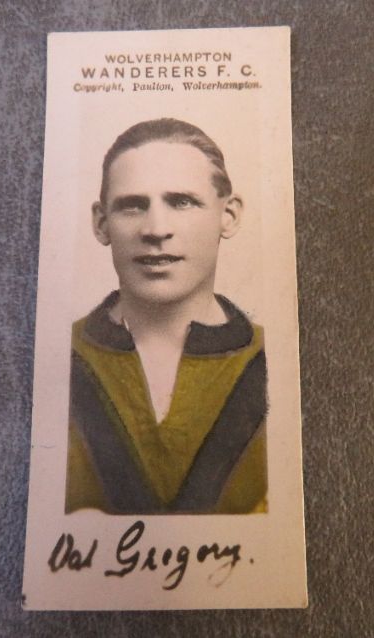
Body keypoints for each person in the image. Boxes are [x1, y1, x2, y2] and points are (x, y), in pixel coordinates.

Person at [65, 118, 267, 515]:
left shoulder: (275, 357)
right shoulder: (57, 353)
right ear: (101, 223)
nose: (156, 229)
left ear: (228, 215)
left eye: (182, 202)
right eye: (132, 205)